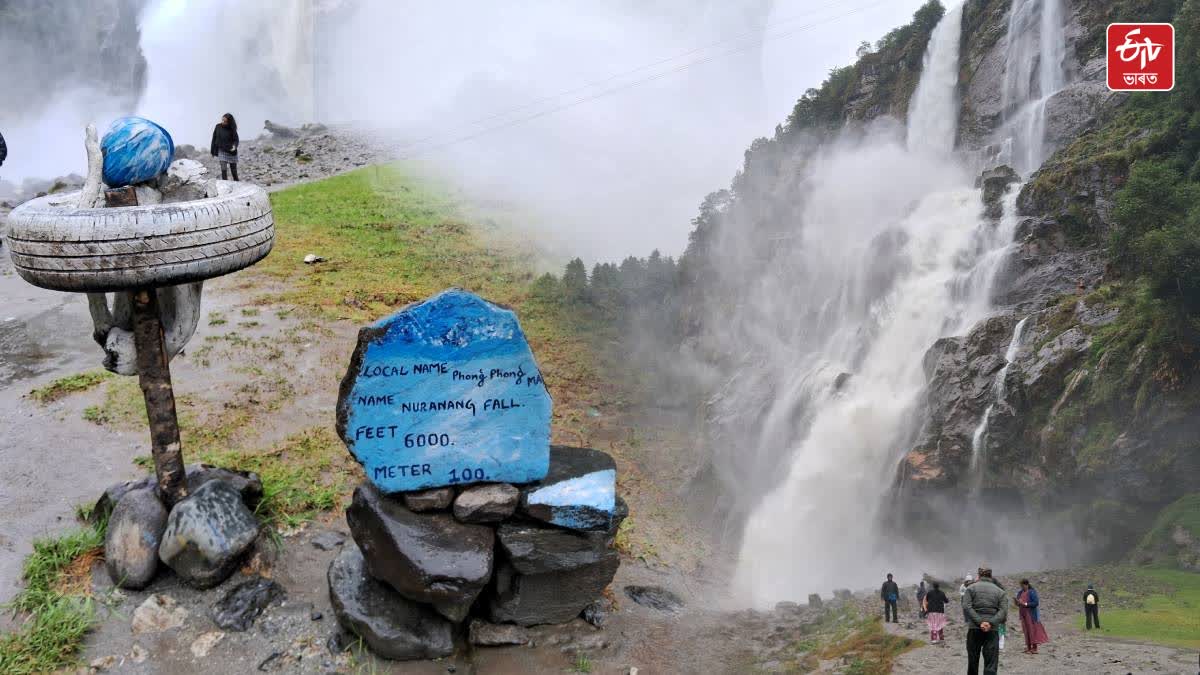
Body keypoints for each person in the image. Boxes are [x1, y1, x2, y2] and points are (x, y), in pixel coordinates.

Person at [962, 566, 1007, 675]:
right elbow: (1003, 611)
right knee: (991, 662)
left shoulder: (970, 588)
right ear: (991, 575)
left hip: (974, 628)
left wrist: (980, 622)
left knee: (973, 661)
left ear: (979, 575)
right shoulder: (1000, 592)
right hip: (992, 630)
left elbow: (966, 606)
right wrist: (990, 623)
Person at [1016, 578, 1049, 654]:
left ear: (1026, 584)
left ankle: (1034, 648)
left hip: (1030, 614)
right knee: (1026, 631)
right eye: (1021, 586)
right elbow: (1018, 601)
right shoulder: (1020, 592)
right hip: (1023, 614)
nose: (1022, 587)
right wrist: (1017, 602)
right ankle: (1028, 647)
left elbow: (1036, 603)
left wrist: (1026, 604)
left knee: (1032, 630)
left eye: (1023, 585)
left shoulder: (1032, 592)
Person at [210, 113, 239, 181]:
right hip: (221, 151)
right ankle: (224, 187)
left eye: (225, 121)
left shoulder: (232, 129)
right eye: (222, 120)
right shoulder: (218, 126)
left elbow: (236, 139)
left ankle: (238, 186)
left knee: (234, 172)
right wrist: (212, 151)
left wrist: (234, 146)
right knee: (223, 170)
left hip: (231, 152)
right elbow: (214, 138)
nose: (223, 122)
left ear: (229, 122)